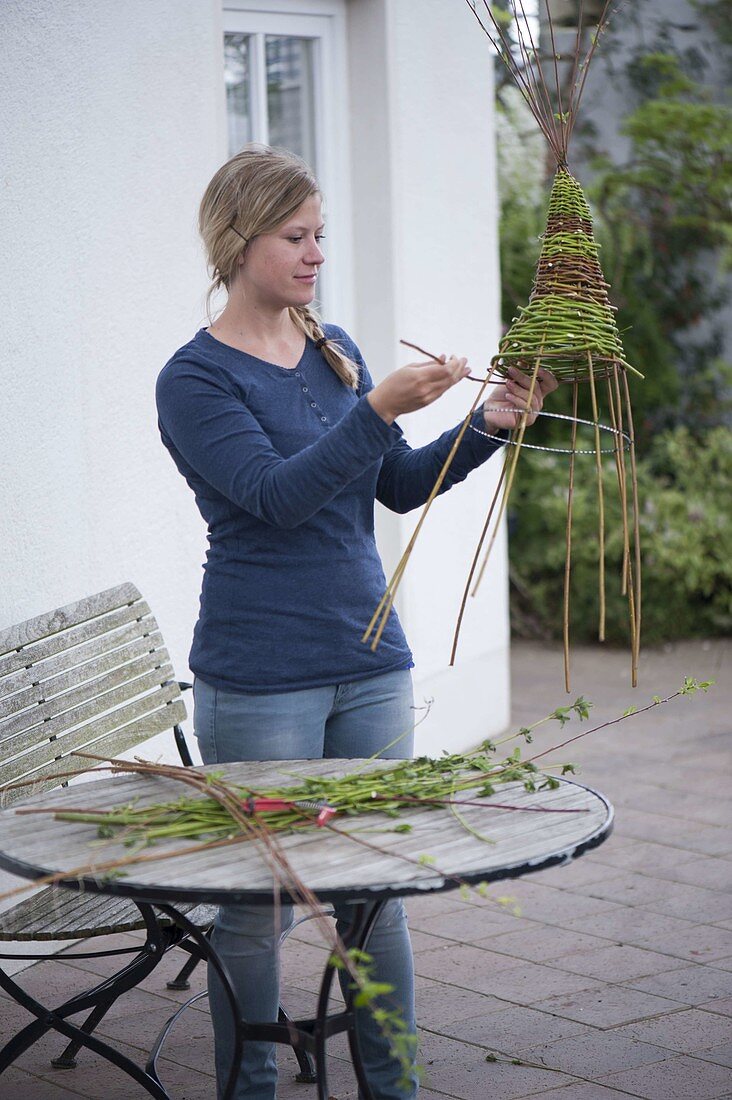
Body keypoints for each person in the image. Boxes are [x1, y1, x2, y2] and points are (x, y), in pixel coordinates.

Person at [155, 143, 556, 1100]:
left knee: (378, 897)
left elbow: (394, 486)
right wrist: (375, 410)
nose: (315, 253)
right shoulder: (194, 380)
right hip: (261, 678)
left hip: (370, 660)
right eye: (295, 236)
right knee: (253, 910)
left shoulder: (334, 348)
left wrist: (486, 426)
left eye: (320, 234)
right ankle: (251, 1081)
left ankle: (395, 1086)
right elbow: (275, 496)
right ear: (238, 238)